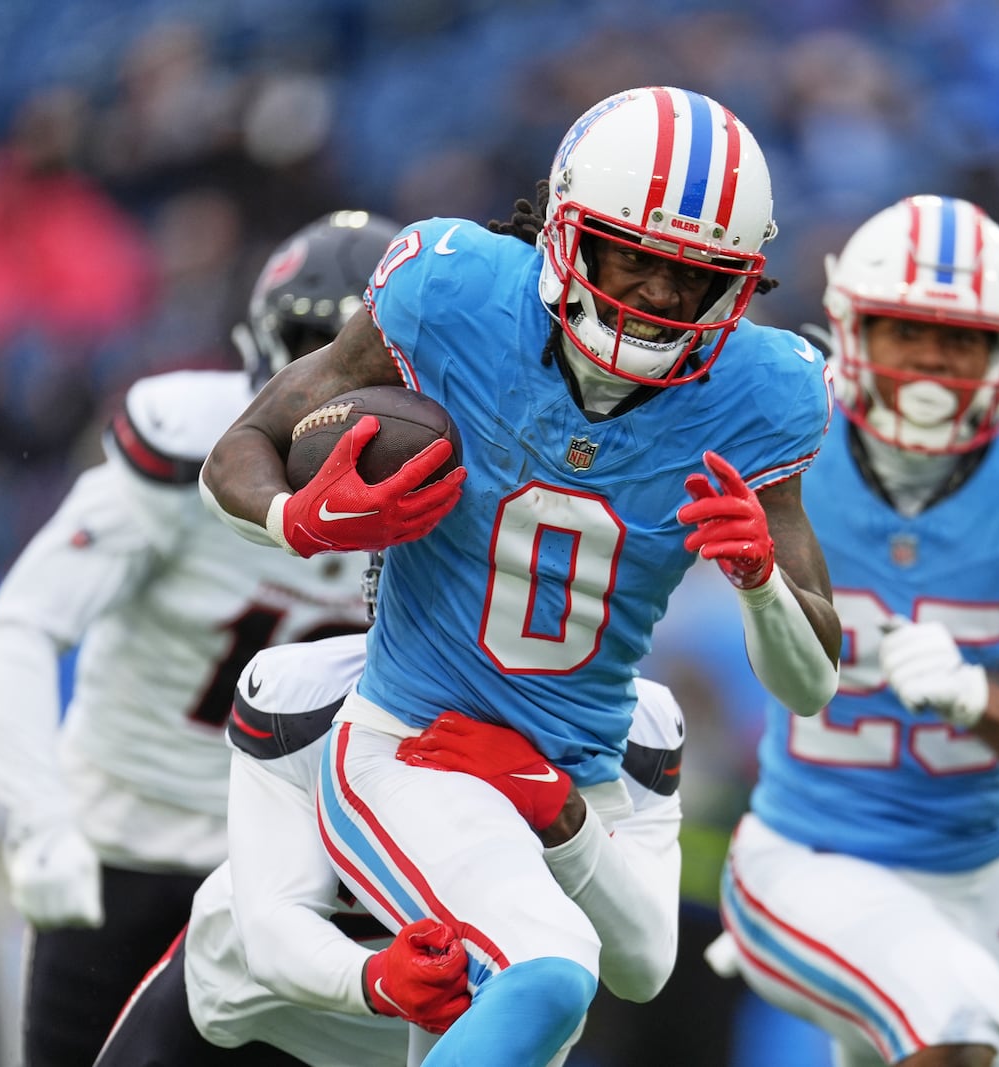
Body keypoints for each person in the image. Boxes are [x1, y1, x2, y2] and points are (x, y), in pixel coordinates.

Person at [198, 85, 841, 1065]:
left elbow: (812, 678)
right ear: (567, 233)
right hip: (417, 741)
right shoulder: (450, 291)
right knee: (548, 964)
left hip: (579, 764)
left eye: (691, 274)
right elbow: (241, 444)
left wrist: (756, 578)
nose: (659, 296)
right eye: (635, 255)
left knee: (628, 964)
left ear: (739, 285)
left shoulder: (767, 391)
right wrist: (299, 515)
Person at [706, 195, 999, 1067]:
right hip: (805, 852)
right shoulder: (788, 425)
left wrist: (977, 700)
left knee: (948, 1027)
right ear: (849, 330)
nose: (934, 362)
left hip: (976, 882)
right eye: (907, 331)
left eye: (962, 339)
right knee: (949, 1024)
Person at [0, 210, 401, 1067]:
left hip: (290, 874)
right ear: (256, 349)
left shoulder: (449, 477)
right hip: (125, 849)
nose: (328, 382)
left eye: (348, 350)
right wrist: (41, 821)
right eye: (308, 345)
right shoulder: (183, 446)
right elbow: (20, 627)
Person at [94, 618, 687, 1067]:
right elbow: (271, 931)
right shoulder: (306, 696)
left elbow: (643, 968)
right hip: (251, 1026)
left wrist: (566, 817)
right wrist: (373, 978)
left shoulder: (642, 736)